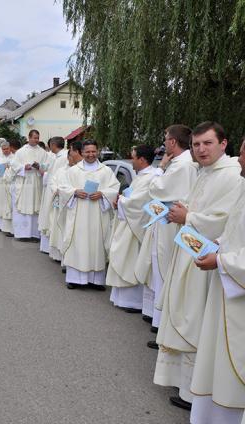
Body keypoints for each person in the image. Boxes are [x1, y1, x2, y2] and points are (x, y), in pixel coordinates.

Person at [154, 121, 242, 410]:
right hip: (193, 251)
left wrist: (188, 217)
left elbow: (225, 221)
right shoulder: (205, 172)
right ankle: (189, 386)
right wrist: (182, 215)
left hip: (213, 261)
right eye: (196, 145)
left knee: (198, 321)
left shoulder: (232, 176)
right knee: (188, 314)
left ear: (223, 144)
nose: (201, 149)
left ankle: (198, 393)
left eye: (207, 143)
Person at [190, 138, 245, 424]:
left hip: (238, 293)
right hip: (226, 286)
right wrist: (219, 242)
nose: (240, 159)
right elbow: (236, 229)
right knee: (218, 357)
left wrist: (221, 261)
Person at [134, 125, 198, 334]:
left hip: (172, 223)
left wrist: (160, 167)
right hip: (167, 220)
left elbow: (156, 188)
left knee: (165, 268)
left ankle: (163, 324)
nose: (164, 143)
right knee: (160, 267)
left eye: (165, 139)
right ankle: (157, 316)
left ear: (172, 142)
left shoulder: (182, 165)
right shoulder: (181, 163)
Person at [58, 140, 120, 290]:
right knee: (78, 243)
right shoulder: (73, 171)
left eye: (93, 151)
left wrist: (103, 194)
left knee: (96, 244)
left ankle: (96, 280)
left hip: (98, 215)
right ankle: (74, 279)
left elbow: (114, 188)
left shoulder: (105, 171)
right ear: (82, 152)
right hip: (78, 214)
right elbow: (63, 187)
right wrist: (74, 192)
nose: (91, 154)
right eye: (87, 152)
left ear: (97, 151)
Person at [105, 145, 159, 311]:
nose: (131, 160)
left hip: (135, 226)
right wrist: (121, 199)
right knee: (122, 256)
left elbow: (139, 203)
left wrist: (121, 200)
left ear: (142, 160)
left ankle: (133, 301)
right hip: (128, 222)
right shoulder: (142, 176)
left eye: (133, 157)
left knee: (130, 259)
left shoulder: (152, 177)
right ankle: (121, 298)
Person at [10, 129, 49, 241]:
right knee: (24, 207)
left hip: (36, 182)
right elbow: (13, 164)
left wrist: (39, 166)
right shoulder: (21, 151)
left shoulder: (42, 152)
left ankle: (35, 234)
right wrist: (23, 167)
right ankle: (23, 234)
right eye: (34, 137)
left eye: (38, 138)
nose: (36, 140)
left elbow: (47, 165)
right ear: (29, 137)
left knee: (36, 207)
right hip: (25, 181)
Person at [49, 143, 83, 262]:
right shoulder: (61, 170)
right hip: (60, 204)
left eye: (72, 156)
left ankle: (66, 258)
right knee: (59, 229)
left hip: (71, 204)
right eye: (69, 157)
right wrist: (57, 190)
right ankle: (57, 254)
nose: (71, 159)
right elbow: (53, 183)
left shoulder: (78, 170)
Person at [38, 137, 68, 252]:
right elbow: (49, 171)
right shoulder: (56, 156)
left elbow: (56, 176)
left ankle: (52, 247)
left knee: (52, 217)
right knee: (48, 216)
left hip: (55, 191)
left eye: (50, 145)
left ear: (53, 145)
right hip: (51, 189)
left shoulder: (62, 157)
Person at [0, 140, 15, 235]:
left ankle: (8, 227)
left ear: (10, 148)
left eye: (7, 149)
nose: (5, 151)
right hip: (0, 184)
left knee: (8, 205)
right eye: (3, 149)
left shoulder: (14, 158)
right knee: (0, 204)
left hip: (9, 184)